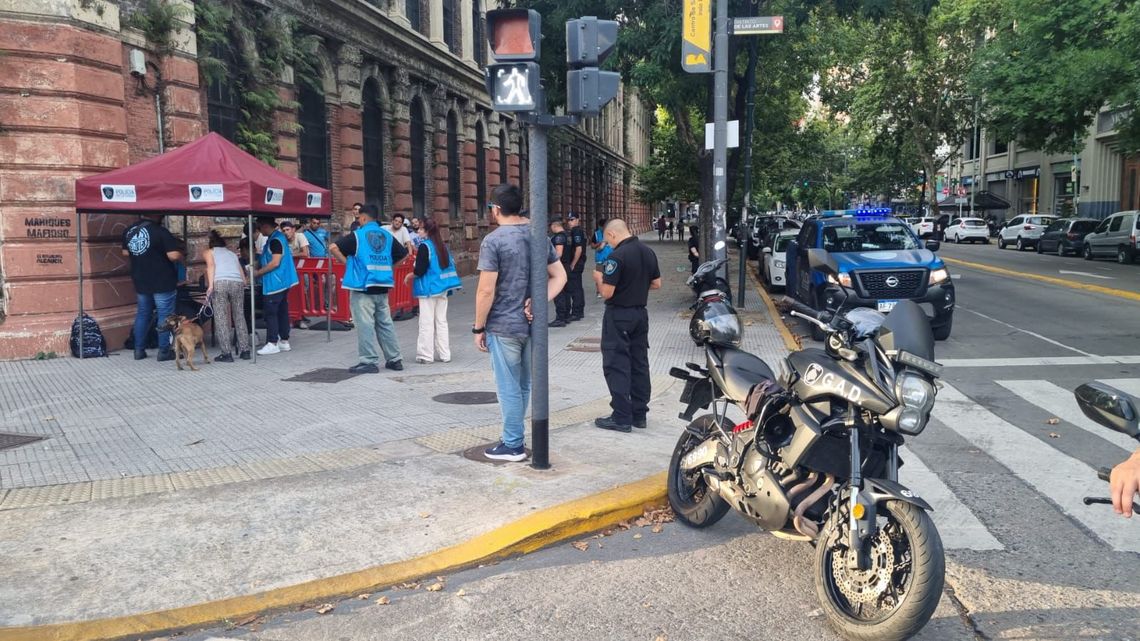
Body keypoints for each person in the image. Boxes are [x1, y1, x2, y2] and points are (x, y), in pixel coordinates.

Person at [474, 183, 566, 462]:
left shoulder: (494, 241)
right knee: (524, 384)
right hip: (532, 324)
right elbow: (559, 276)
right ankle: (515, 439)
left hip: (504, 324)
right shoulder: (538, 235)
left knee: (508, 387)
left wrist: (478, 327)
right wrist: (539, 301)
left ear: (496, 209)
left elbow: (486, 290)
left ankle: (512, 443)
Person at [595, 219, 661, 433]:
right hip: (640, 315)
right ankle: (639, 414)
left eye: (608, 239)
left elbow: (607, 292)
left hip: (618, 315)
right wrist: (636, 287)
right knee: (639, 362)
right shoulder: (648, 251)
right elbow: (656, 284)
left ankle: (621, 416)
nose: (609, 244)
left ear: (613, 234)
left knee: (617, 364)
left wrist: (598, 277)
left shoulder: (617, 256)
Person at [330, 203, 408, 373]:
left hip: (363, 287)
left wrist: (348, 264)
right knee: (385, 324)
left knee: (364, 324)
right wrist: (390, 267)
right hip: (382, 286)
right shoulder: (387, 236)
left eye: (358, 218)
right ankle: (395, 359)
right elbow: (403, 254)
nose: (358, 220)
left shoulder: (358, 235)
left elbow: (333, 247)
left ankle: (369, 361)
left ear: (363, 218)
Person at [122, 214, 182, 361]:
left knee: (143, 314)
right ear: (157, 215)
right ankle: (164, 351)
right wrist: (181, 254)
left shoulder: (129, 231)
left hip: (141, 279)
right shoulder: (161, 231)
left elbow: (125, 252)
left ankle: (139, 350)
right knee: (165, 315)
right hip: (162, 280)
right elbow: (173, 255)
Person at [404, 219, 462, 364]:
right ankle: (445, 354)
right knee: (441, 322)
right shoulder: (441, 245)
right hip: (442, 288)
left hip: (428, 289)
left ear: (427, 231)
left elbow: (420, 270)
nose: (418, 231)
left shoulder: (425, 246)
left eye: (421, 229)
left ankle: (426, 355)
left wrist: (409, 276)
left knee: (426, 322)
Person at [250, 216, 299, 355]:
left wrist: (258, 273)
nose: (259, 231)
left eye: (260, 227)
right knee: (282, 311)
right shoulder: (278, 238)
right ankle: (284, 340)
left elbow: (275, 262)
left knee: (271, 313)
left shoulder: (275, 241)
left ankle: (272, 342)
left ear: (266, 226)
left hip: (275, 282)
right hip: (283, 281)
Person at [203, 230, 251, 362]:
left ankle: (226, 353)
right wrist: (244, 282)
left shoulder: (209, 252)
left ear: (211, 244)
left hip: (220, 282)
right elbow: (242, 273)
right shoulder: (232, 254)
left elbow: (211, 267)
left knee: (221, 317)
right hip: (237, 282)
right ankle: (245, 350)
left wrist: (211, 285)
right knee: (239, 316)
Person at [548, 219, 572, 327]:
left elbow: (559, 253)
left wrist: (550, 262)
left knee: (559, 293)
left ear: (554, 225)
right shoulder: (567, 235)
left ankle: (560, 318)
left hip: (560, 266)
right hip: (567, 265)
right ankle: (566, 316)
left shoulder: (558, 237)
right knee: (566, 292)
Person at [566, 213, 588, 321]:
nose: (569, 222)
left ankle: (577, 312)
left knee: (575, 288)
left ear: (577, 220)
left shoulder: (577, 231)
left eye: (572, 219)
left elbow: (578, 249)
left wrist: (573, 263)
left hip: (577, 263)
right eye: (568, 220)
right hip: (579, 262)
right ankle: (578, 311)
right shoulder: (577, 231)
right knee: (576, 287)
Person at [592, 217, 611, 299]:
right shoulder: (596, 234)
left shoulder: (612, 234)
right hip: (600, 259)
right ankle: (599, 291)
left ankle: (609, 291)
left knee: (610, 276)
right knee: (599, 276)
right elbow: (592, 246)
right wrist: (599, 243)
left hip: (611, 258)